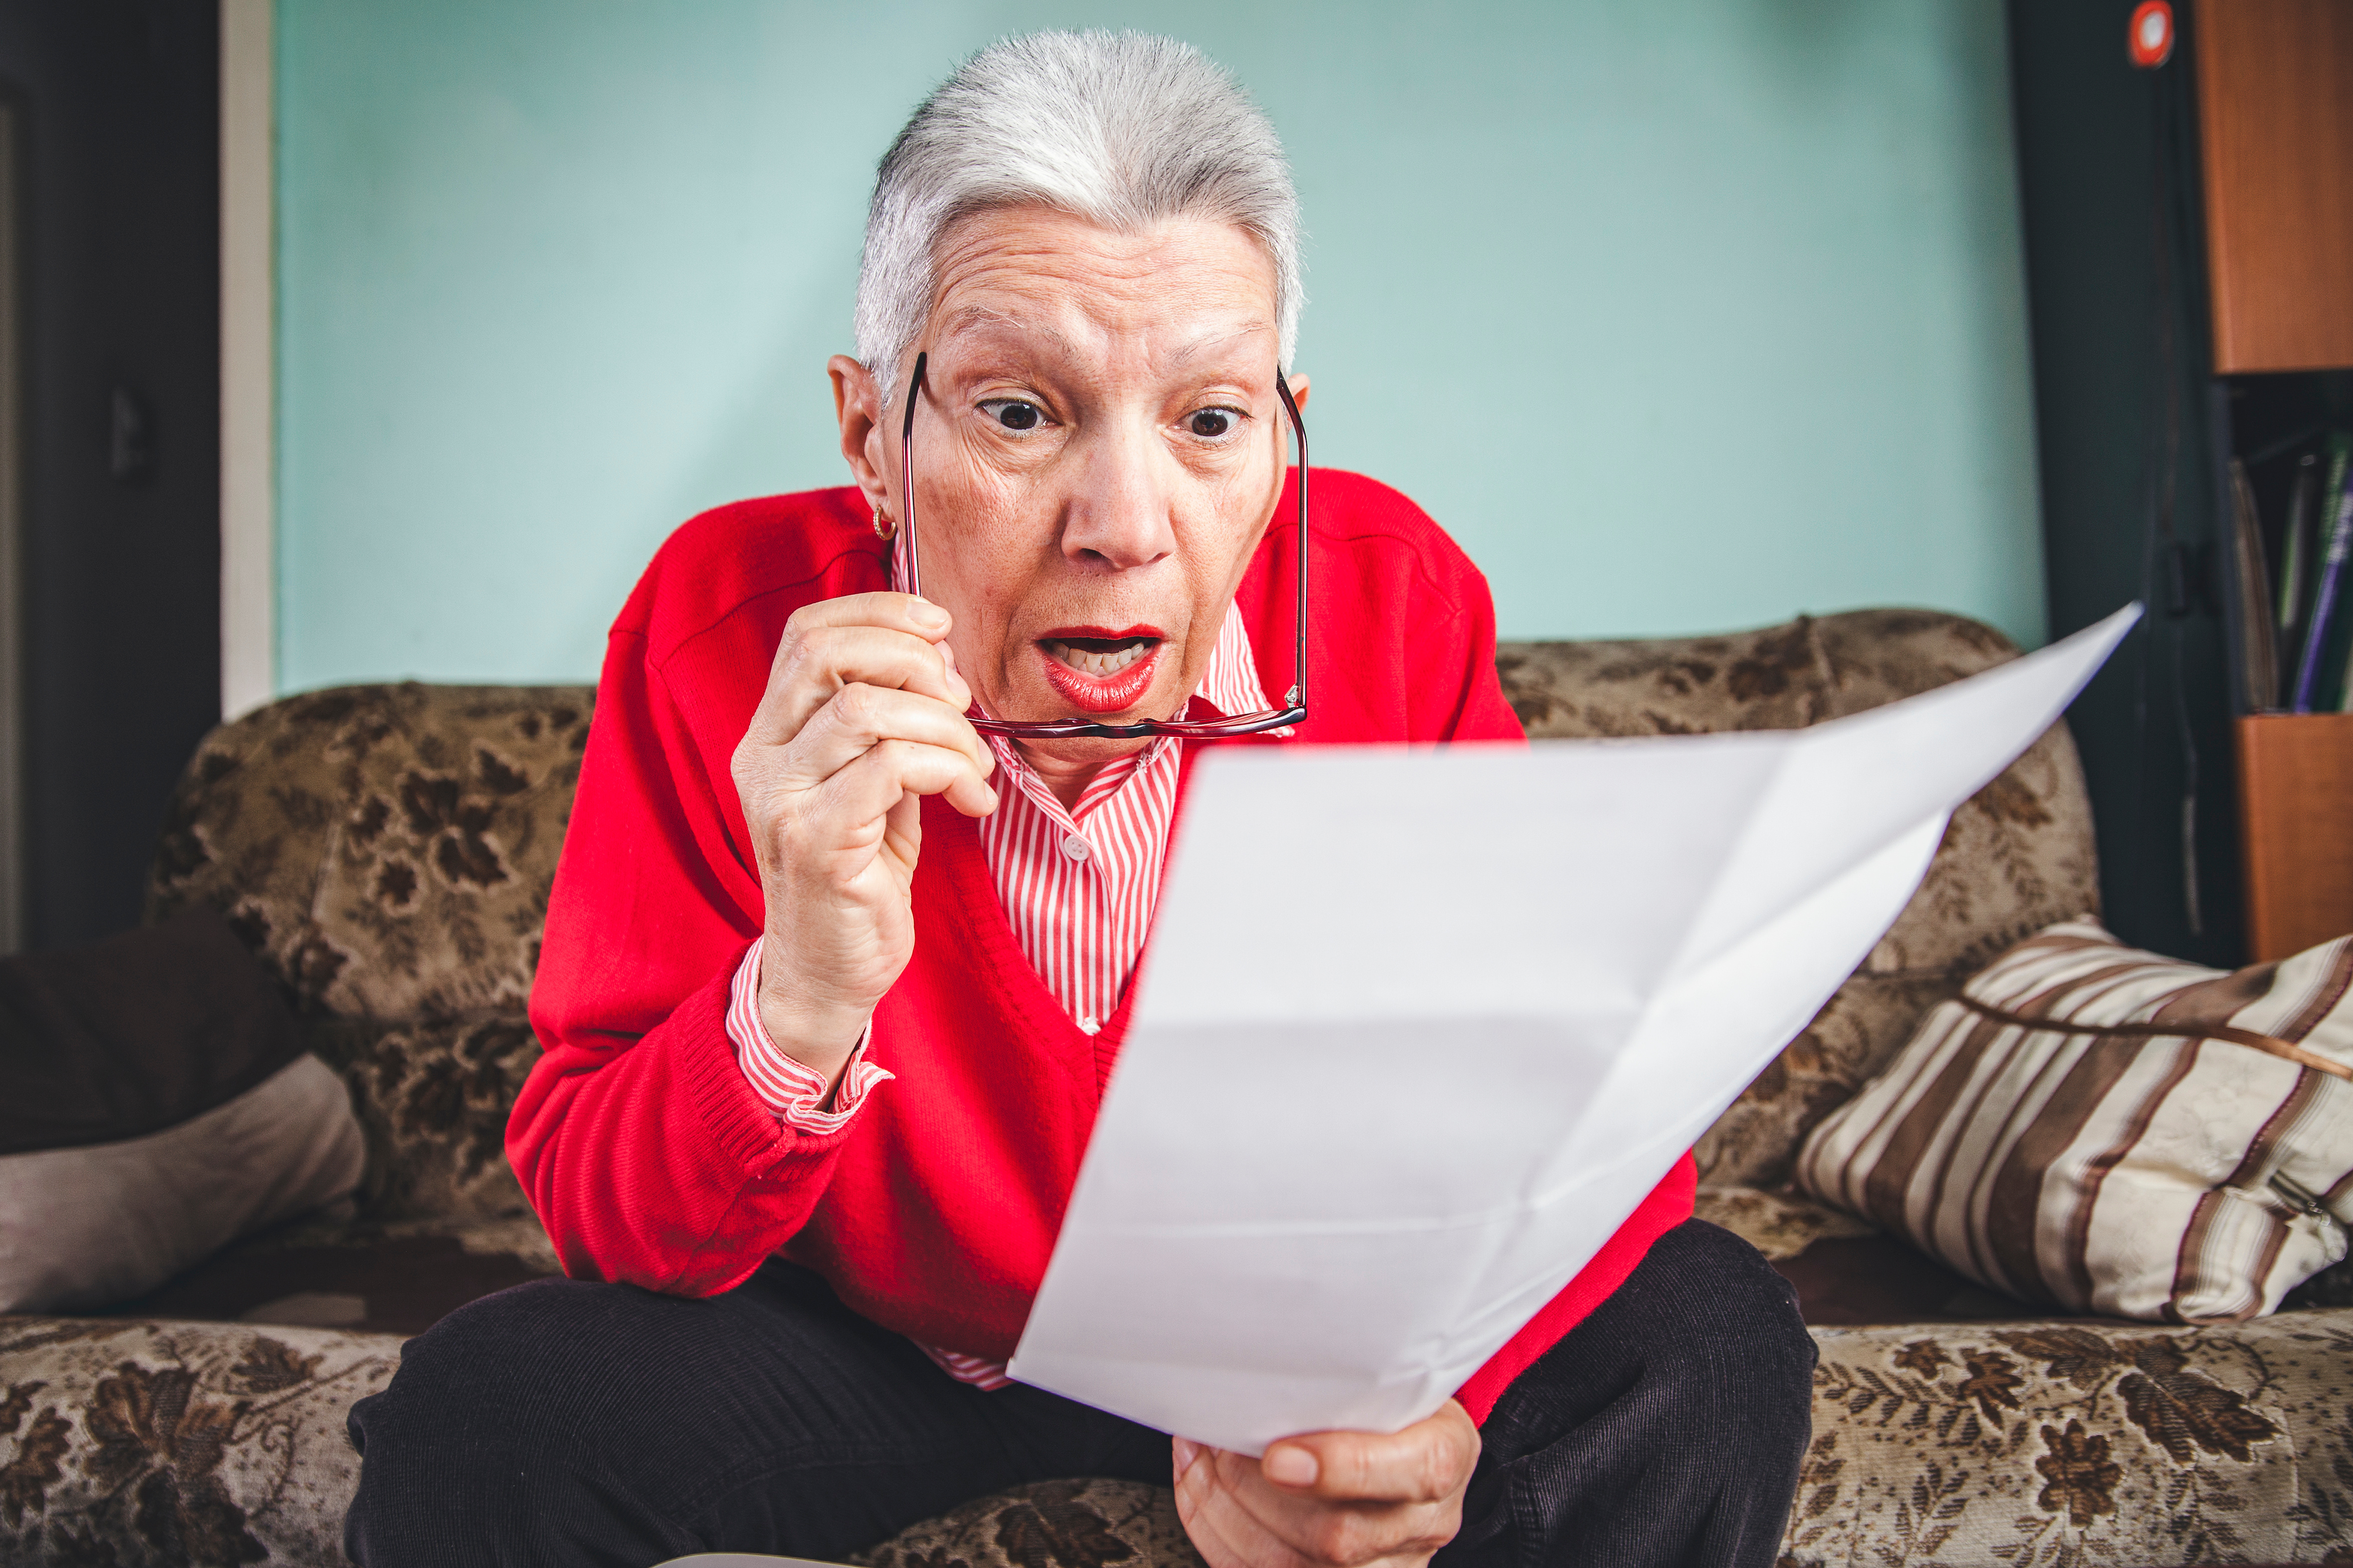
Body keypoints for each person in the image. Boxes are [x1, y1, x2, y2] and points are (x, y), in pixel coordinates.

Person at [344, 30, 1814, 1568]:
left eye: (1207, 422)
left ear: (1282, 430)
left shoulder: (1397, 600)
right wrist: (800, 990)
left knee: (1707, 1335)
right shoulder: (719, 625)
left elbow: (1574, 1110)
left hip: (1287, 1346)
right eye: (1021, 413)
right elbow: (607, 1218)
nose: (1124, 528)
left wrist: (1419, 1403)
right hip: (886, 1351)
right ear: (871, 436)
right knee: (490, 1407)